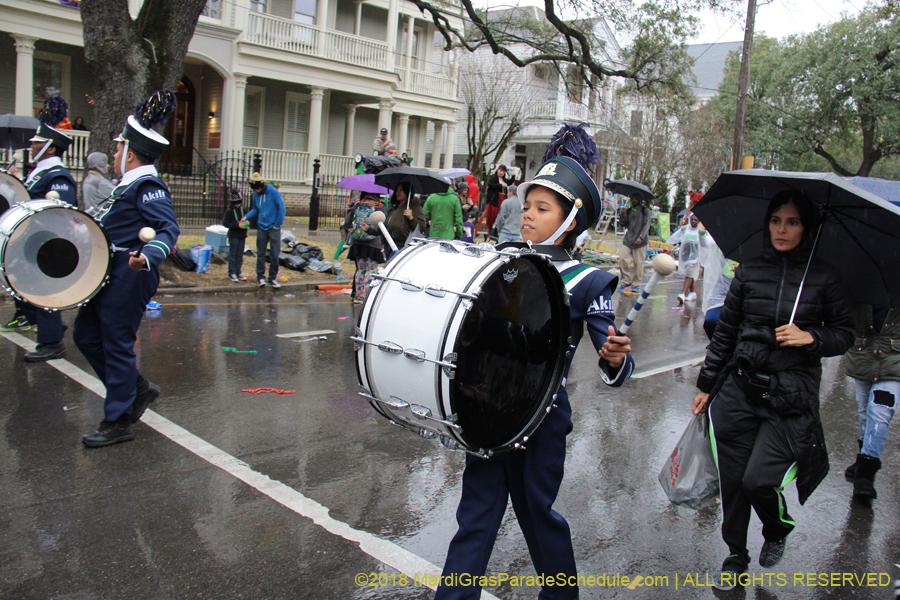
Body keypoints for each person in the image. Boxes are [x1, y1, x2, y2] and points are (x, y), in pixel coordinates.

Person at [436, 148, 635, 600]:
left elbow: (615, 359)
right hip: (487, 406)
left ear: (571, 222)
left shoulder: (588, 280)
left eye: (542, 209)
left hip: (542, 420)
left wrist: (614, 358)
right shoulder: (503, 263)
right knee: (476, 516)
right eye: (527, 205)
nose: (527, 214)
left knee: (537, 515)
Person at [690, 190, 854, 589]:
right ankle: (736, 555)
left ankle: (777, 527)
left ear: (807, 228)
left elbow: (845, 334)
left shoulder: (825, 277)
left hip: (789, 397)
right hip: (740, 390)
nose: (782, 229)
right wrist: (707, 385)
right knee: (733, 483)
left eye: (792, 222)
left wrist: (811, 337)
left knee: (758, 481)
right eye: (776, 220)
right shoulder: (748, 271)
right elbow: (725, 334)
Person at [75, 90, 181, 447]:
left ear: (130, 153)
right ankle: (135, 389)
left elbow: (167, 229)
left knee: (117, 344)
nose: (115, 154)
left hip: (130, 271)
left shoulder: (147, 186)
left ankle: (118, 420)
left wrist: (147, 255)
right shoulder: (126, 186)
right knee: (85, 335)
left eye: (119, 148)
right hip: (108, 272)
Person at [7, 97, 77, 361]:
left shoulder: (57, 175)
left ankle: (52, 343)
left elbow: (61, 211)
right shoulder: (39, 172)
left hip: (48, 242)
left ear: (50, 148)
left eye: (37, 141)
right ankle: (51, 324)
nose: (32, 144)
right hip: (30, 240)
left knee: (43, 291)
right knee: (19, 286)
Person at [843, 303, 898, 500]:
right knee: (865, 410)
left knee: (880, 410)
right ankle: (864, 457)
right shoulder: (860, 291)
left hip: (894, 360)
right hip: (863, 356)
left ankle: (866, 472)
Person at [240, 173, 286, 288]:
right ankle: (260, 277)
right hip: (261, 227)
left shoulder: (274, 193)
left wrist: (277, 224)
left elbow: (281, 209)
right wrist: (246, 217)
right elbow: (255, 209)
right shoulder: (255, 195)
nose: (253, 192)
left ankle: (272, 278)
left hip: (273, 227)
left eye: (255, 189)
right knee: (261, 253)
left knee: (274, 254)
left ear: (259, 187)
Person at [342, 193, 385, 303]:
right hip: (373, 244)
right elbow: (383, 226)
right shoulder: (379, 207)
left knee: (360, 269)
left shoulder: (357, 206)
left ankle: (358, 295)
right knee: (371, 270)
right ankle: (366, 296)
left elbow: (346, 223)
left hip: (357, 243)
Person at [667, 212, 707, 304]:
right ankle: (692, 293)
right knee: (689, 273)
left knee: (689, 273)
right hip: (685, 255)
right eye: (692, 219)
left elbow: (705, 242)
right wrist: (669, 244)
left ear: (699, 221)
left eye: (695, 220)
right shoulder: (685, 229)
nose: (693, 221)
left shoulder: (700, 231)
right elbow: (675, 237)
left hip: (695, 257)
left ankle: (683, 294)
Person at [618, 193, 651, 294]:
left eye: (636, 198)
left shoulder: (645, 211)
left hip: (640, 242)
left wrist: (641, 237)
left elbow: (647, 225)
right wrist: (622, 214)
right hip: (628, 239)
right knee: (622, 259)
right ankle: (626, 281)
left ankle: (636, 284)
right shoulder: (628, 211)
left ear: (640, 200)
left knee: (638, 263)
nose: (634, 200)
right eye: (632, 198)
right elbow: (623, 224)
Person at [384, 182, 425, 256]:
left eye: (401, 190)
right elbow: (385, 225)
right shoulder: (393, 207)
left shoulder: (415, 208)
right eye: (397, 190)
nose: (398, 192)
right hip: (389, 245)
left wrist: (411, 218)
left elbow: (422, 227)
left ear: (407, 192)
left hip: (402, 246)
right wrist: (369, 230)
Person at [223, 189, 248, 282]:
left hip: (242, 235)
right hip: (233, 235)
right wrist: (237, 225)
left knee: (240, 254)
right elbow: (225, 222)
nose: (237, 205)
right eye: (236, 203)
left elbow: (248, 218)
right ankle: (232, 272)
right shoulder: (229, 211)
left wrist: (247, 223)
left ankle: (238, 271)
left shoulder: (243, 210)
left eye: (239, 203)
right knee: (233, 254)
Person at [484, 164, 511, 233]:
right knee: (494, 214)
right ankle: (492, 230)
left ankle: (500, 229)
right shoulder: (494, 177)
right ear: (497, 170)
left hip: (503, 198)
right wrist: (500, 185)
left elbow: (509, 183)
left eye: (503, 171)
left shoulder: (504, 179)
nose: (501, 172)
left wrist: (513, 176)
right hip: (496, 199)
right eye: (500, 171)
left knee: (503, 213)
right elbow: (490, 185)